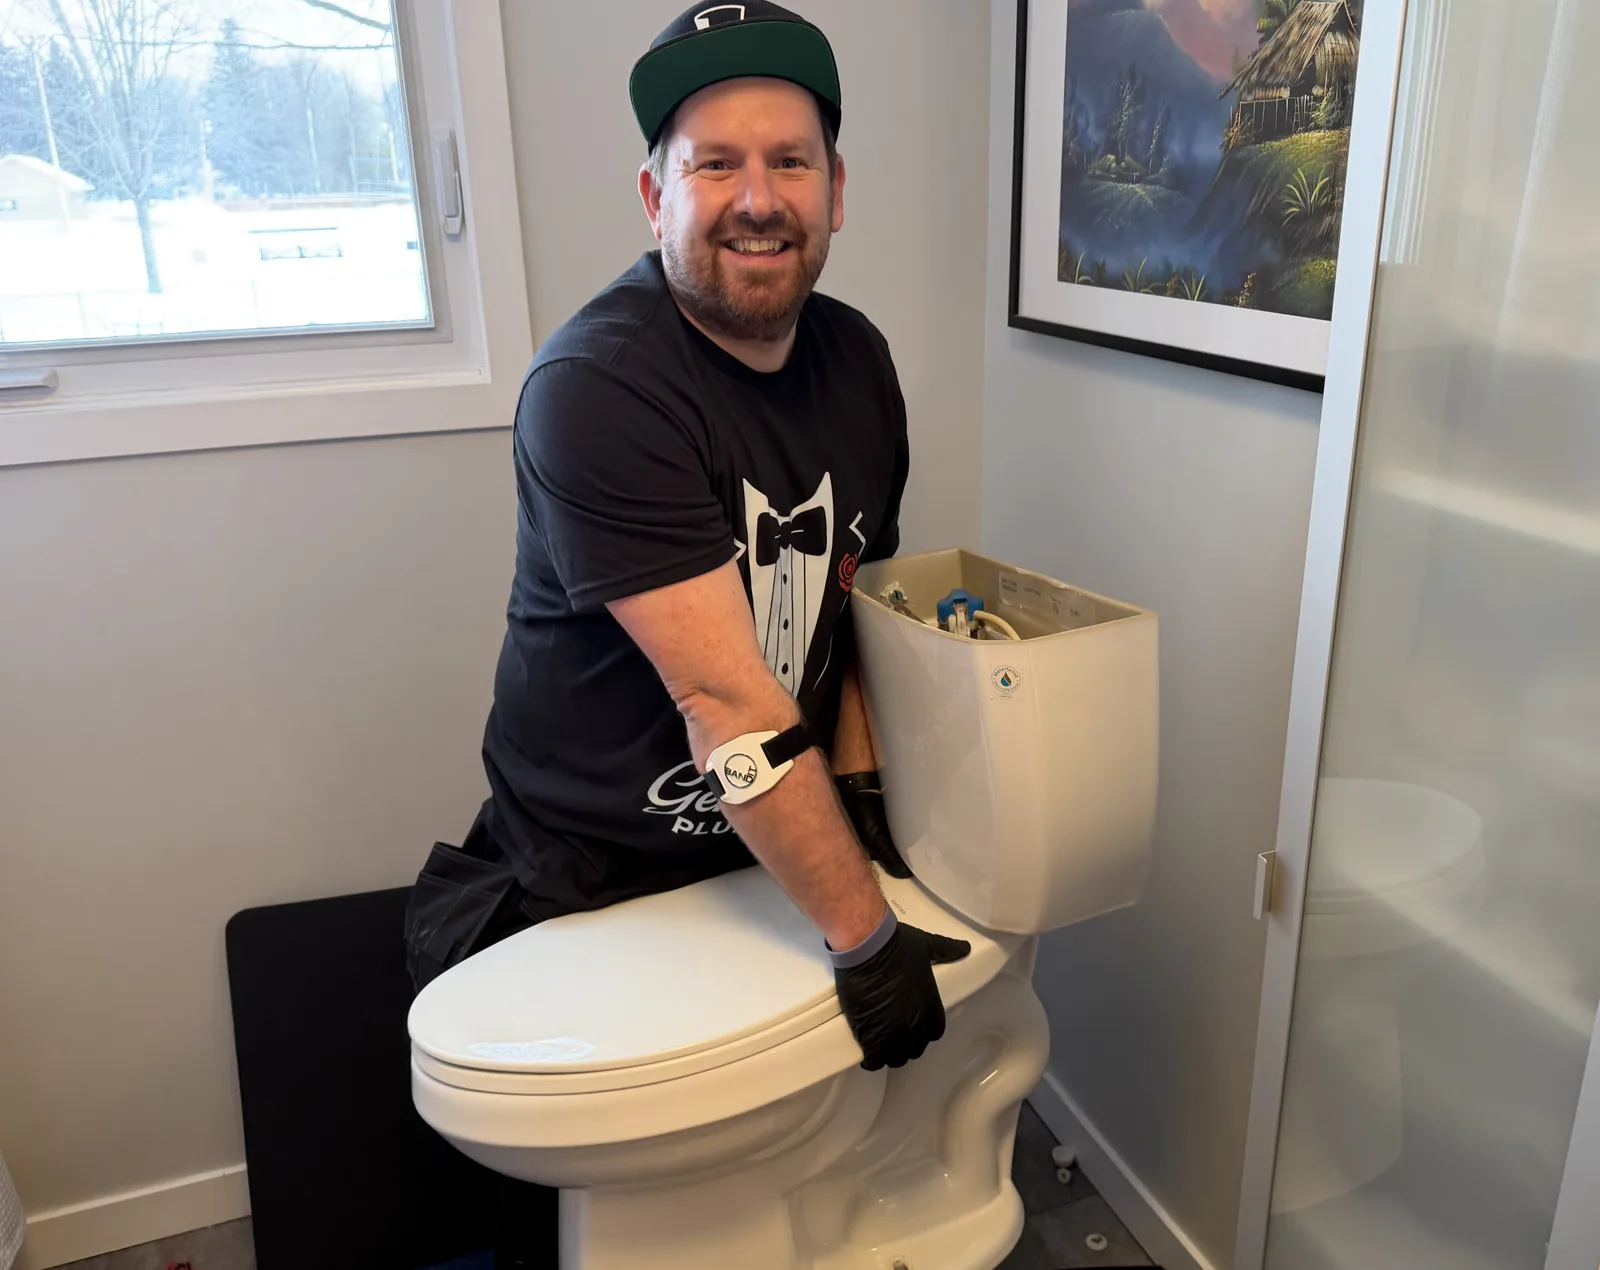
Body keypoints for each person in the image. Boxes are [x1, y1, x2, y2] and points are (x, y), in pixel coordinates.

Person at [402, 7, 970, 1258]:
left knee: (774, 1173)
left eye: (789, 161)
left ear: (836, 189)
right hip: (592, 874)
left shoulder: (858, 360)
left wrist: (867, 812)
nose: (755, 199)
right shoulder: (599, 386)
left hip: (770, 850)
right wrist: (866, 934)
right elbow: (728, 702)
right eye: (716, 163)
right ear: (655, 191)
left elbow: (848, 610)